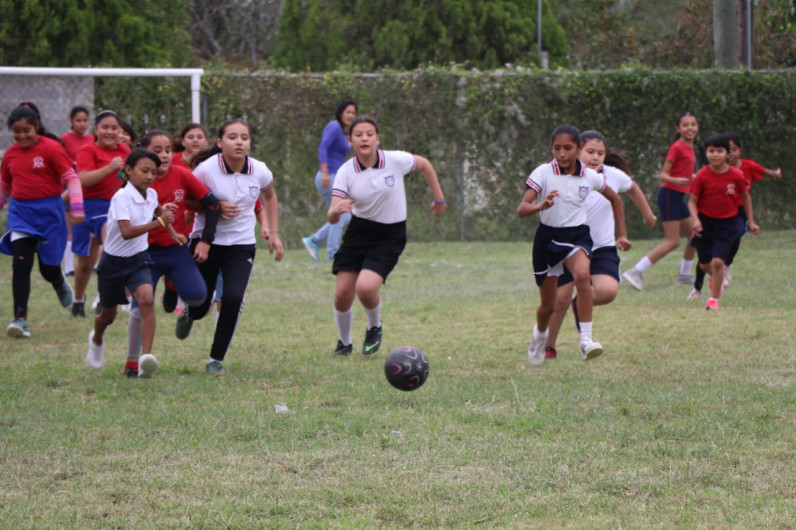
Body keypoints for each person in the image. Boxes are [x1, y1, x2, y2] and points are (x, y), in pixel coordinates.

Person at [327, 115, 446, 357]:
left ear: (377, 138)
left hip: (390, 234)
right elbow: (332, 215)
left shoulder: (394, 160)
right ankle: (344, 343)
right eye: (358, 134)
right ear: (350, 140)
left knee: (366, 288)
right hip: (359, 231)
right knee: (342, 294)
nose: (364, 138)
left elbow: (424, 164)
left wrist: (439, 199)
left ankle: (374, 326)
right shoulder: (346, 172)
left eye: (369, 133)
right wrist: (336, 211)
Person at [174, 119, 284, 375]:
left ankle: (216, 359)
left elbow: (269, 196)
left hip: (241, 246)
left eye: (244, 137)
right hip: (206, 242)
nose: (239, 142)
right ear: (220, 142)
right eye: (232, 137)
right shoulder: (205, 170)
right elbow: (185, 200)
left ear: (249, 143)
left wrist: (274, 232)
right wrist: (213, 206)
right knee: (201, 306)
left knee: (233, 298)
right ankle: (189, 312)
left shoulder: (260, 170)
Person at [517, 124, 629, 366]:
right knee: (548, 306)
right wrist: (540, 206)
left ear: (578, 149)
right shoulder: (543, 173)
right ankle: (540, 335)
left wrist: (622, 234)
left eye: (568, 148)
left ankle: (586, 341)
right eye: (557, 148)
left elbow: (615, 199)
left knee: (582, 274)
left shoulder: (589, 177)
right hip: (547, 240)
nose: (562, 153)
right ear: (551, 148)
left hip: (577, 237)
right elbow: (522, 209)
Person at [542, 130, 656, 359]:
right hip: (568, 247)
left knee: (607, 291)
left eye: (600, 153)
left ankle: (580, 306)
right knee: (560, 300)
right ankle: (548, 346)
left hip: (602, 247)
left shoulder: (612, 176)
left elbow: (631, 188)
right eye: (590, 152)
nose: (596, 157)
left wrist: (647, 215)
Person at [124, 130, 221, 363]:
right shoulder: (132, 183)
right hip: (144, 252)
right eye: (157, 151)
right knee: (140, 305)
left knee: (198, 297)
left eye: (168, 150)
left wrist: (206, 241)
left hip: (176, 249)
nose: (164, 156)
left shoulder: (182, 174)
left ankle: (176, 292)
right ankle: (132, 359)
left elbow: (212, 205)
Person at [87, 149, 176, 377]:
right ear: (128, 170)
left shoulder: (152, 194)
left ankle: (144, 359)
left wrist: (173, 232)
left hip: (139, 259)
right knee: (108, 316)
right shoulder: (121, 198)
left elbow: (159, 212)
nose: (149, 177)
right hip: (113, 264)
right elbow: (126, 232)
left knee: (146, 300)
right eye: (144, 171)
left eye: (153, 173)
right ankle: (96, 339)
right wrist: (159, 223)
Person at [0, 104, 84, 338]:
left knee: (48, 269)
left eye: (26, 130)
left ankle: (57, 281)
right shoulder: (10, 154)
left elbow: (72, 179)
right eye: (16, 131)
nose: (22, 135)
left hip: (50, 215)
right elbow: (5, 187)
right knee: (21, 264)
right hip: (21, 214)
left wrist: (76, 207)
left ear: (36, 127)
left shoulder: (52, 149)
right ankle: (20, 320)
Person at [688, 133, 782, 299]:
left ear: (729, 153)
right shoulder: (702, 175)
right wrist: (696, 220)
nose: (715, 154)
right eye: (711, 151)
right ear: (706, 153)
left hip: (731, 218)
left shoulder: (739, 173)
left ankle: (717, 290)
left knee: (720, 258)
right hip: (705, 220)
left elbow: (746, 195)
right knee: (704, 263)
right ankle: (707, 281)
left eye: (720, 151)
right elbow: (693, 201)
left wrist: (751, 222)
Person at [623, 111, 698, 290]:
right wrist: (675, 180)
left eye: (693, 124)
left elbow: (685, 174)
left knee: (694, 237)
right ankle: (636, 271)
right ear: (678, 128)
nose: (690, 128)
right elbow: (663, 175)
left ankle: (684, 275)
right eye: (685, 125)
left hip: (677, 197)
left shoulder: (690, 147)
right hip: (669, 195)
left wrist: (696, 178)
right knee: (673, 241)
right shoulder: (678, 147)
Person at [72, 110, 130, 317]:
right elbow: (83, 179)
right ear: (96, 130)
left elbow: (128, 176)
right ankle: (78, 300)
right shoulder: (88, 150)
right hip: (88, 207)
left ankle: (103, 297)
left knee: (110, 247)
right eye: (105, 127)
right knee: (85, 263)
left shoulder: (125, 150)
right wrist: (109, 168)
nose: (109, 131)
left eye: (114, 128)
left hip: (112, 207)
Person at [302, 99, 358, 262]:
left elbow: (339, 151)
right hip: (329, 176)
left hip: (336, 177)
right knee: (340, 215)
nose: (350, 115)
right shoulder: (334, 126)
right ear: (341, 113)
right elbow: (323, 147)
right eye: (348, 112)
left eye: (353, 113)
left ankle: (314, 240)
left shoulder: (343, 133)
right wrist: (325, 172)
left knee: (345, 215)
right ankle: (333, 254)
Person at [60, 106, 95, 277]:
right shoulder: (64, 140)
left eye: (85, 120)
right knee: (70, 228)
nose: (82, 124)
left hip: (88, 189)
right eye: (78, 120)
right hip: (70, 187)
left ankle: (92, 262)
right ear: (71, 122)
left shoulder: (93, 139)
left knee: (90, 227)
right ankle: (68, 267)